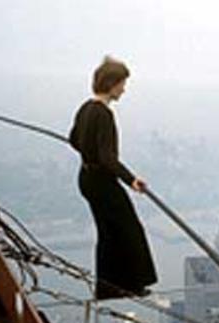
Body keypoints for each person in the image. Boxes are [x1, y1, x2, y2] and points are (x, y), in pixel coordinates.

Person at [69, 56, 157, 300]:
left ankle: (108, 288)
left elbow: (73, 139)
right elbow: (108, 158)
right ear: (111, 83)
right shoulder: (104, 114)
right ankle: (133, 285)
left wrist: (90, 153)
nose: (124, 89)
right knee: (130, 230)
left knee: (107, 234)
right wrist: (131, 180)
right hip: (102, 181)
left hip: (86, 178)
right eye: (122, 83)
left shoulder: (85, 108)